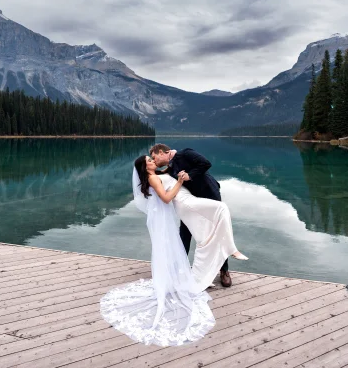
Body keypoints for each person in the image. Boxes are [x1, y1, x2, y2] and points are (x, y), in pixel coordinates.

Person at [99, 155, 246, 346]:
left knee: (206, 235)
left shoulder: (160, 173)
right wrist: (179, 181)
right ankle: (230, 250)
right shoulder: (153, 178)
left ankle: (207, 271)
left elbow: (176, 168)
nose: (152, 160)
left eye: (152, 158)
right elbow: (167, 198)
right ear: (145, 167)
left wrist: (180, 171)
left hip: (188, 200)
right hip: (185, 203)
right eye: (149, 160)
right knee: (221, 209)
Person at [150, 143, 235, 287]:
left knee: (218, 232)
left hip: (209, 195)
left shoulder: (185, 153)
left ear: (161, 152)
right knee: (184, 232)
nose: (154, 161)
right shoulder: (170, 168)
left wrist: (190, 175)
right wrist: (146, 173)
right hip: (192, 201)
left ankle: (224, 270)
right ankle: (178, 268)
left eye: (154, 158)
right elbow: (161, 174)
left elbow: (206, 163)